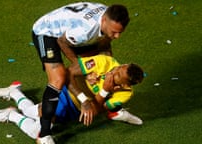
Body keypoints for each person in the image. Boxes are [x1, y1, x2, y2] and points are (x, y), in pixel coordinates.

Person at [0, 55, 144, 144]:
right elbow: (68, 73)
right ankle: (10, 115)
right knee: (38, 132)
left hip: (75, 112)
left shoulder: (125, 94)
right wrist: (84, 95)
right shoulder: (105, 62)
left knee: (30, 112)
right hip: (64, 95)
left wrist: (104, 91)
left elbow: (96, 111)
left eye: (116, 75)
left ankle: (14, 93)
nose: (112, 71)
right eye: (118, 67)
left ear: (121, 85)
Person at [31, 2, 130, 142]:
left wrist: (106, 67)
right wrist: (84, 70)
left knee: (98, 61)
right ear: (104, 20)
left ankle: (113, 109)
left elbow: (104, 46)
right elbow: (62, 42)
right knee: (58, 78)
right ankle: (44, 135)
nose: (117, 36)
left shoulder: (109, 16)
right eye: (114, 32)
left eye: (120, 32)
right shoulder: (84, 31)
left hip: (70, 31)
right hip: (46, 32)